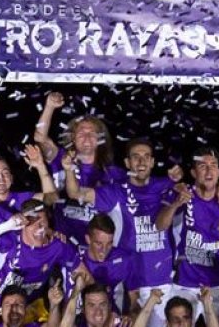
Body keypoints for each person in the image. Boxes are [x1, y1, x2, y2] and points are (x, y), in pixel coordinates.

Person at [65, 138, 181, 322]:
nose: (141, 162)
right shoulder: (116, 191)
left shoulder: (166, 186)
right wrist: (68, 169)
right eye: (136, 157)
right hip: (131, 282)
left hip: (164, 280)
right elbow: (75, 193)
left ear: (152, 162)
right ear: (127, 163)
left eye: (146, 157)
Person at [156, 147, 219, 325]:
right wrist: (175, 204)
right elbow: (160, 225)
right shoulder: (183, 193)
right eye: (202, 166)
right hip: (186, 281)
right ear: (193, 172)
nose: (209, 170)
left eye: (213, 165)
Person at [0, 199, 81, 313]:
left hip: (31, 309)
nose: (39, 228)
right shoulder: (10, 241)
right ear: (22, 224)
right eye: (33, 223)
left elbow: (82, 274)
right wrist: (7, 226)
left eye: (42, 222)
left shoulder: (58, 245)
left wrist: (70, 298)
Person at [34, 93, 125, 241]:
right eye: (81, 133)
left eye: (92, 133)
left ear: (101, 139)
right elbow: (39, 137)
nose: (87, 137)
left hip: (98, 249)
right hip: (63, 245)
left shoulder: (115, 173)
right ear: (72, 138)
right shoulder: (59, 158)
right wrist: (49, 107)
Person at [80, 215, 133, 312]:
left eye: (109, 243)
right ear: (88, 239)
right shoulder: (77, 262)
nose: (104, 250)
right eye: (99, 243)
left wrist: (132, 315)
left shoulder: (124, 259)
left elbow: (134, 298)